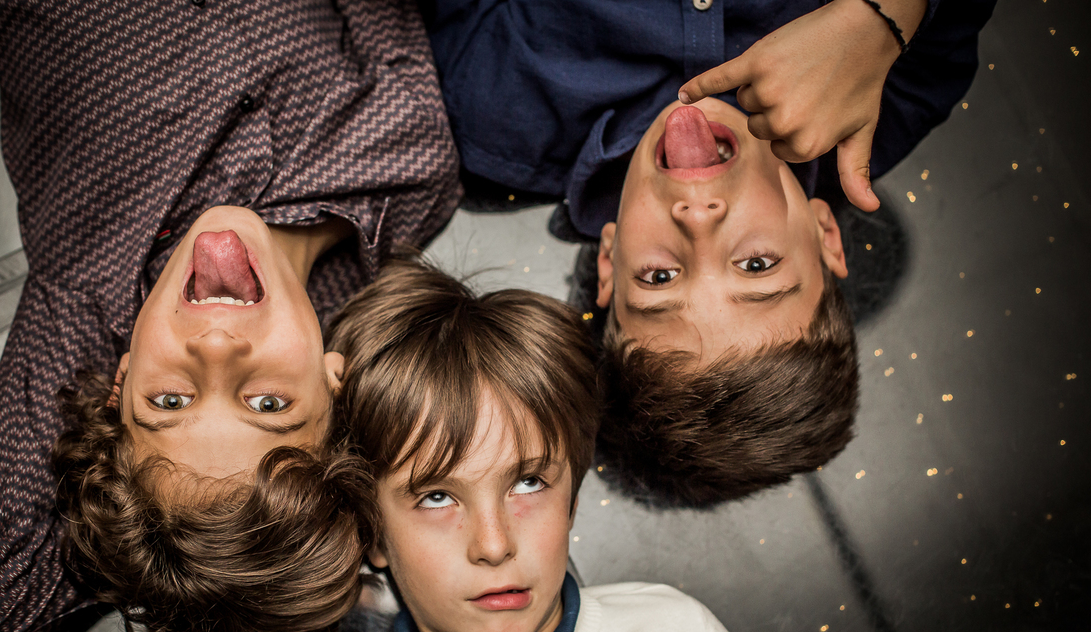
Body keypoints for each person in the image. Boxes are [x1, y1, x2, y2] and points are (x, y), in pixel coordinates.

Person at [0, 0, 460, 632]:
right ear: (338, 387)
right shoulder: (413, 173)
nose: (216, 346)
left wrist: (168, 562)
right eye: (268, 404)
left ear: (121, 382)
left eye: (168, 400)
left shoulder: (91, 267)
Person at [308, 261, 851, 632]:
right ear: (373, 533)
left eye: (527, 483)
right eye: (435, 497)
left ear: (570, 499)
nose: (494, 545)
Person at [426, 0, 997, 506]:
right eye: (756, 266)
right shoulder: (890, 102)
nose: (698, 222)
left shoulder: (489, 114)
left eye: (658, 277)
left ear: (609, 261)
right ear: (826, 235)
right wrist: (880, 19)